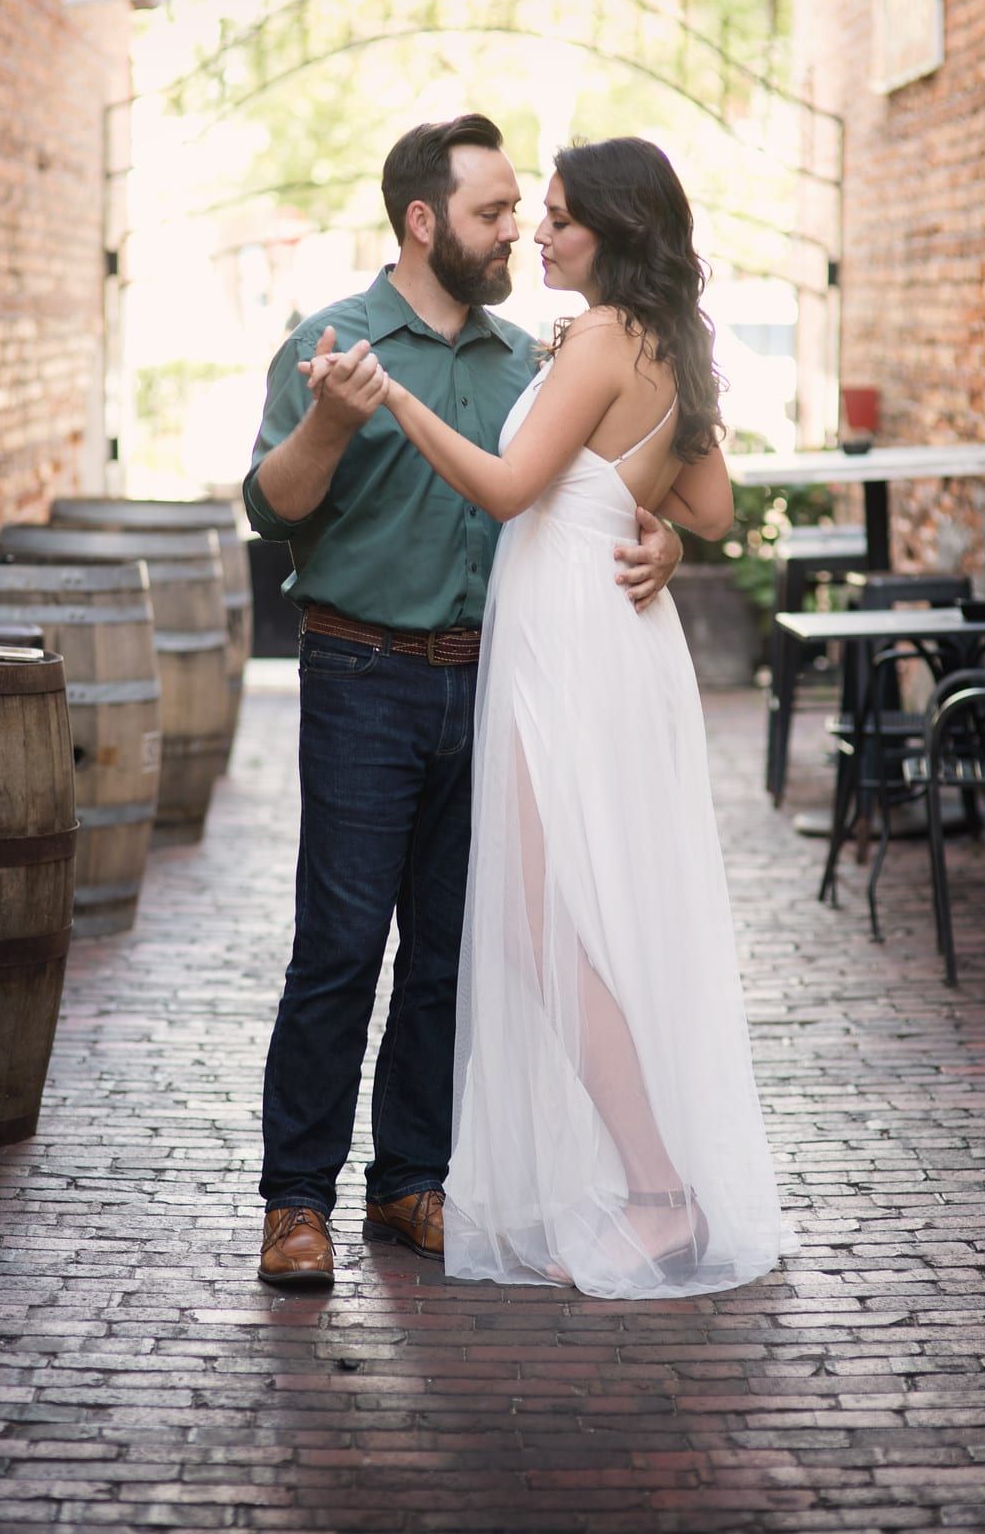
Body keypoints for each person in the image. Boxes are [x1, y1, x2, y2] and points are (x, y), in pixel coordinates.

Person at [310, 136, 791, 1298]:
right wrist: (656, 524)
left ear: (614, 234)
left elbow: (509, 485)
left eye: (562, 216)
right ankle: (653, 1180)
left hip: (569, 651)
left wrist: (398, 404)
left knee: (551, 924)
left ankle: (659, 1191)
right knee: (576, 915)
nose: (540, 231)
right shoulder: (649, 339)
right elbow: (714, 506)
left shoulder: (609, 337)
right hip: (604, 640)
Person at [244, 115, 685, 1289]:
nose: (514, 234)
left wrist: (671, 539)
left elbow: (613, 474)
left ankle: (408, 1184)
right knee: (338, 948)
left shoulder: (521, 360)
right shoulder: (331, 340)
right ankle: (297, 1204)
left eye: (522, 213)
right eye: (494, 214)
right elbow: (271, 508)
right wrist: (336, 420)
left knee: (448, 952)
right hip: (361, 677)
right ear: (423, 221)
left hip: (491, 684)